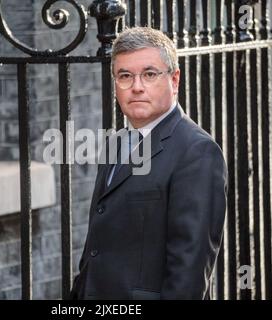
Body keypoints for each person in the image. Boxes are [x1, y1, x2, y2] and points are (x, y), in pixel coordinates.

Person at [70, 27, 228, 300]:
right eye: (125, 76)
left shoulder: (197, 152)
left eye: (150, 74)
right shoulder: (117, 143)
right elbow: (95, 250)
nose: (137, 86)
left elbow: (189, 273)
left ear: (174, 80)